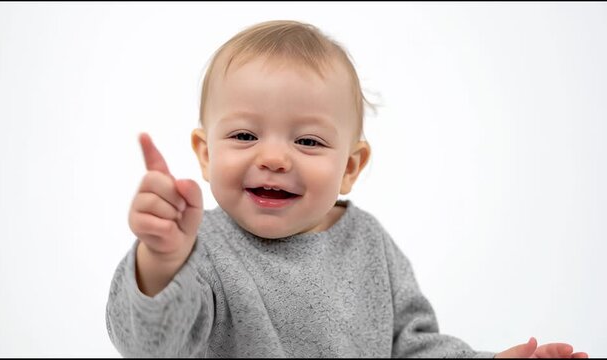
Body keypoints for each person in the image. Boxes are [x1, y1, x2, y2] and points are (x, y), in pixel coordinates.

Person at [106, 20, 588, 358]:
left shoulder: (370, 245)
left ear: (351, 166)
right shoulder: (199, 252)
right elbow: (149, 347)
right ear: (206, 153)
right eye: (245, 135)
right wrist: (162, 261)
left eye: (308, 141)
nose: (273, 158)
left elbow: (412, 347)